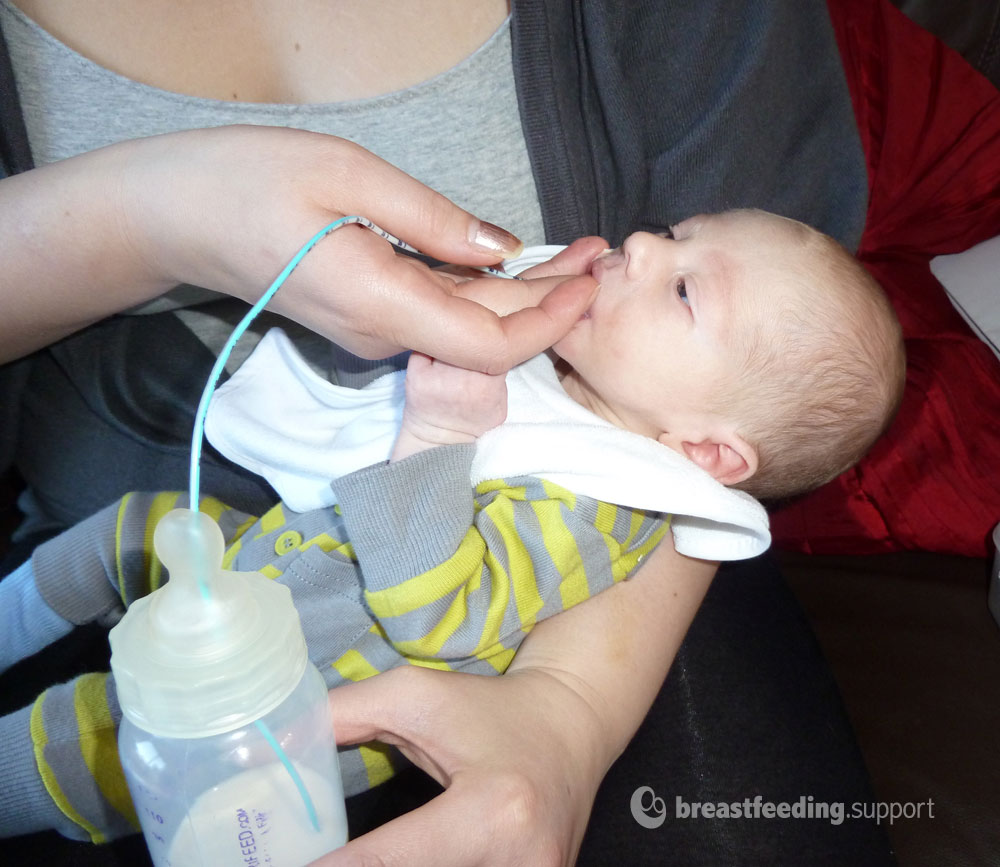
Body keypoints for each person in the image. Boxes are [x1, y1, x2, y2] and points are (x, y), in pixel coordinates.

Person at [0, 1, 894, 864]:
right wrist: (153, 220)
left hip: (319, 682)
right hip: (248, 542)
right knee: (130, 536)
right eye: (672, 232)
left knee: (90, 747)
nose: (643, 246)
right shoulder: (607, 368)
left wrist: (432, 432)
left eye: (684, 290)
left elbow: (436, 615)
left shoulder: (590, 510)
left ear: (704, 455)